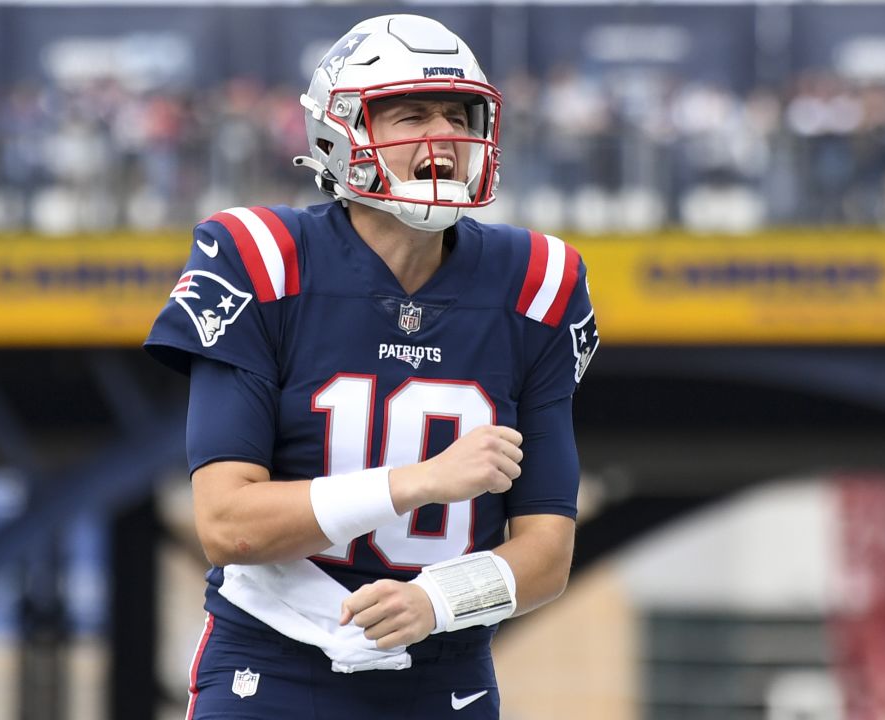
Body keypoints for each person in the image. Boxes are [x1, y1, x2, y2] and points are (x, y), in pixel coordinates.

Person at [145, 13, 598, 720]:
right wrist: (416, 483)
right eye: (410, 114)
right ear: (340, 130)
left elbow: (547, 551)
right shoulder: (261, 258)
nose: (442, 137)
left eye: (458, 114)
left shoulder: (537, 282)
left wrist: (436, 601)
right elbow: (228, 523)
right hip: (273, 661)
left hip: (442, 669)